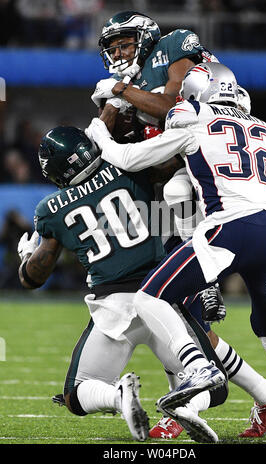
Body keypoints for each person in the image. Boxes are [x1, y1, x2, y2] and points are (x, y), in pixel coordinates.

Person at [91, 10, 266, 439]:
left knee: (150, 298)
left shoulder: (187, 99)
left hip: (227, 230)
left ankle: (198, 366)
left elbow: (158, 128)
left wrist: (106, 119)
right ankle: (261, 391)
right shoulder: (263, 129)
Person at [17, 125, 227, 443]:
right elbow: (175, 165)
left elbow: (33, 277)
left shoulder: (51, 209)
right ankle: (186, 405)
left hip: (112, 308)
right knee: (216, 385)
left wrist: (26, 255)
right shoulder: (127, 166)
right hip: (161, 297)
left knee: (76, 395)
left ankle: (118, 397)